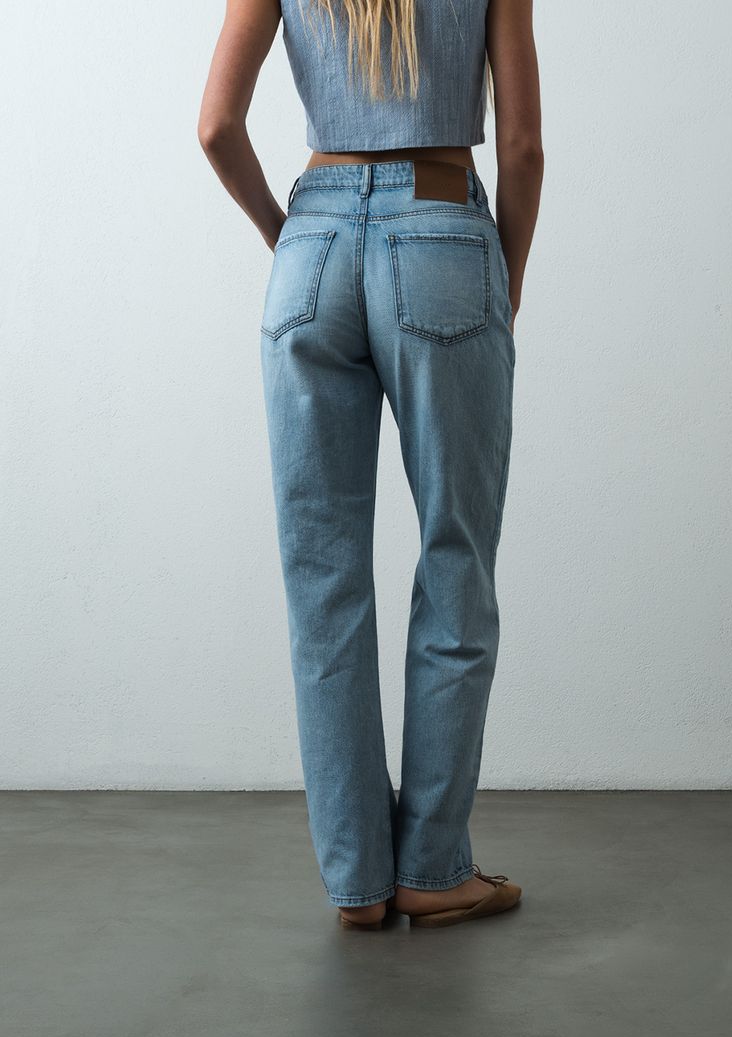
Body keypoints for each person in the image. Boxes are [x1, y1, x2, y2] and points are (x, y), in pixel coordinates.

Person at [198, 0, 544, 930]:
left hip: (311, 245)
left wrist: (289, 233)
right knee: (456, 556)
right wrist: (503, 282)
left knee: (323, 578)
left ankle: (357, 877)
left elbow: (217, 126)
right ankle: (431, 866)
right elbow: (521, 147)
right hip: (441, 228)